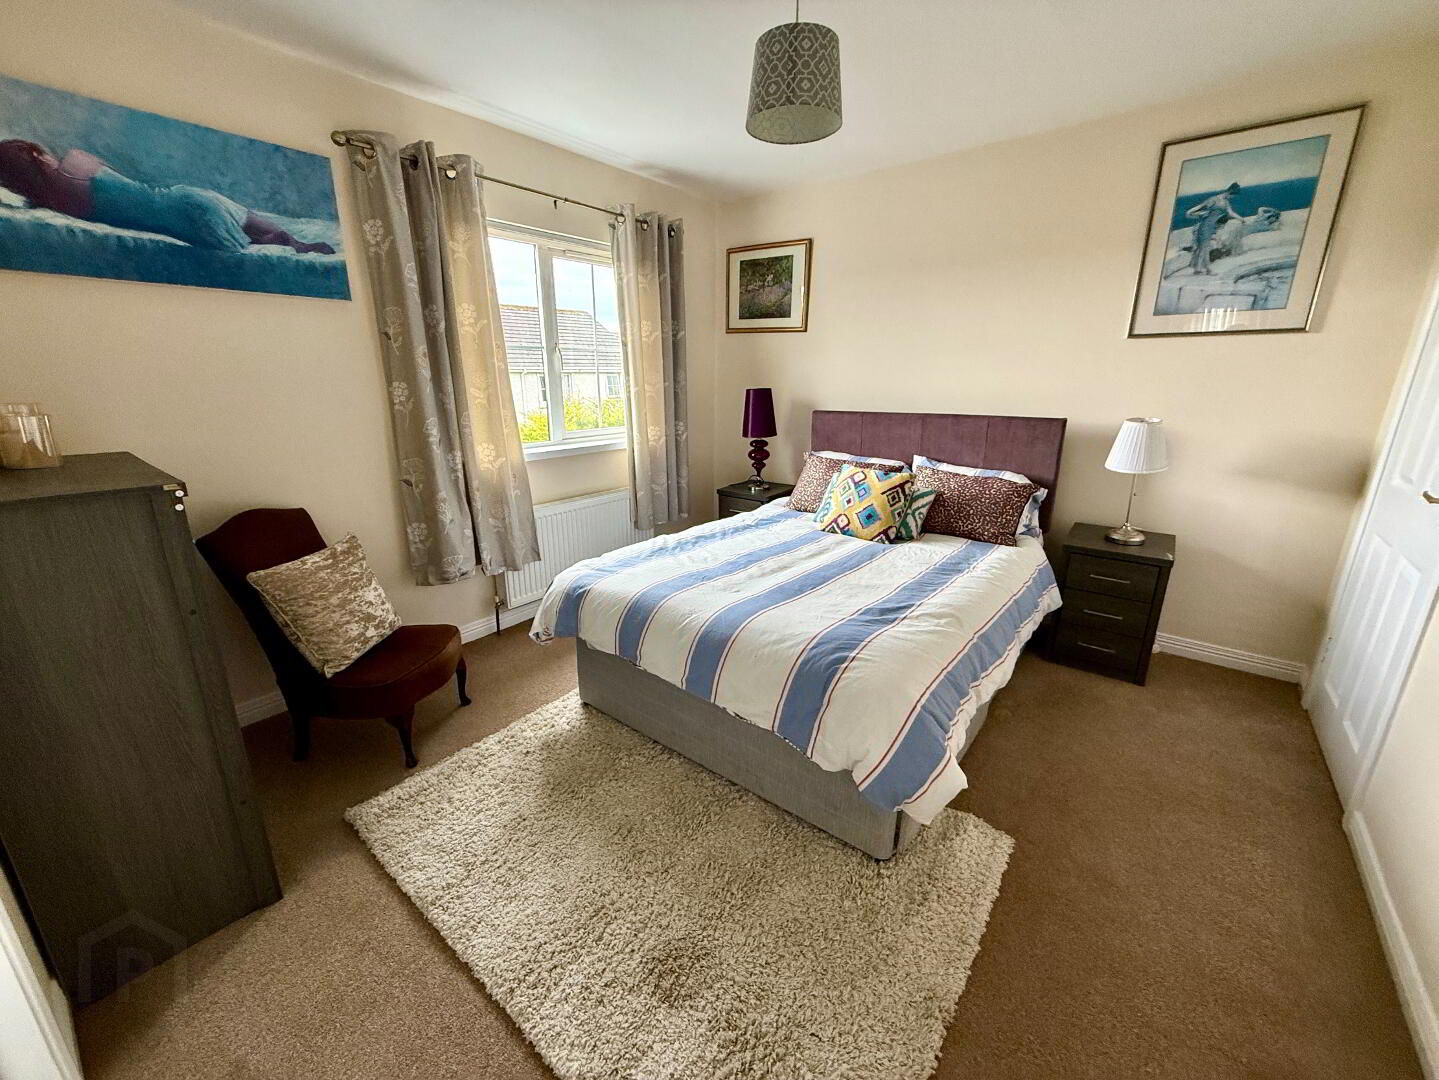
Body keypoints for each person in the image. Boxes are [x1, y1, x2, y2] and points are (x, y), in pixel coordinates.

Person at [0, 139, 334, 255]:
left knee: (255, 243)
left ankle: (286, 242)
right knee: (255, 225)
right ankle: (296, 243)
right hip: (186, 200)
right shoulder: (75, 161)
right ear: (36, 155)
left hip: (184, 221)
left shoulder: (52, 204)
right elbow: (120, 181)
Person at [1183, 181, 1244, 275]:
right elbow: (1199, 207)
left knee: (1202, 248)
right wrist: (1191, 213)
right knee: (1205, 248)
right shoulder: (1213, 199)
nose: (1232, 198)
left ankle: (1197, 269)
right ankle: (1208, 270)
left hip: (1212, 226)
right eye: (1232, 196)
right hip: (1205, 226)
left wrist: (1241, 219)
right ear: (1229, 192)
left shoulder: (1226, 202)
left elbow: (1231, 213)